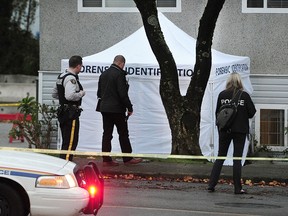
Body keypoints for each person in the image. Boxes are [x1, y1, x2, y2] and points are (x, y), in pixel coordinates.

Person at [208, 72, 256, 194]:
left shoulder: (222, 95)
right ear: (240, 82)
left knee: (220, 157)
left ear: (228, 82)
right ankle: (237, 188)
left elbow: (218, 113)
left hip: (224, 130)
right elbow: (252, 112)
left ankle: (211, 184)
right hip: (240, 130)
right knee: (237, 159)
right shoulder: (244, 95)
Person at [97, 55, 142, 166]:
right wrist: (129, 107)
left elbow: (99, 93)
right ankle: (127, 158)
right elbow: (123, 94)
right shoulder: (119, 75)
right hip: (117, 109)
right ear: (121, 63)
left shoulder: (103, 74)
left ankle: (106, 159)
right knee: (123, 133)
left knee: (107, 134)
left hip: (104, 108)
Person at [52, 55, 85, 161]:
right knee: (71, 141)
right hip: (70, 114)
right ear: (78, 66)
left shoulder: (61, 76)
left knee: (66, 140)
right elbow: (70, 96)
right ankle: (66, 163)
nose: (81, 69)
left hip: (63, 112)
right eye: (81, 67)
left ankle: (63, 161)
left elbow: (54, 94)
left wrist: (63, 101)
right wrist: (81, 93)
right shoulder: (71, 78)